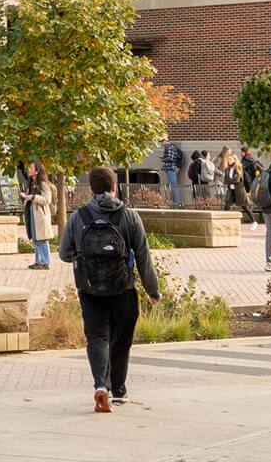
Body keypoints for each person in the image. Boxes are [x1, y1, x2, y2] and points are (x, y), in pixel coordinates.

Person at [59, 166, 161, 413]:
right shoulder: (129, 216)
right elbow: (143, 257)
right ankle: (119, 390)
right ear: (115, 187)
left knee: (97, 337)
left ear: (91, 188)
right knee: (121, 339)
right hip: (123, 287)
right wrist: (152, 290)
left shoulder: (78, 217)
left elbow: (64, 253)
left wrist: (84, 257)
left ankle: (100, 387)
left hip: (89, 287)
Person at [22, 162, 54, 270]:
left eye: (31, 168)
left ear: (37, 171)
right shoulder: (32, 183)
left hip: (40, 214)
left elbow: (47, 200)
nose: (28, 169)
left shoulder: (43, 184)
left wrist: (33, 197)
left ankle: (45, 262)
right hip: (33, 212)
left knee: (42, 239)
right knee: (36, 238)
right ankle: (38, 261)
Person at [240, 148, 264, 228]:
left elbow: (242, 171)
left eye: (241, 152)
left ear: (243, 152)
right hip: (254, 182)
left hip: (248, 183)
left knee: (246, 202)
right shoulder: (253, 159)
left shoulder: (245, 160)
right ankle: (260, 218)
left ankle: (254, 220)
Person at [160, 138, 184, 207]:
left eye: (162, 141)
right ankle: (175, 200)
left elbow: (170, 158)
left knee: (173, 185)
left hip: (171, 168)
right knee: (173, 185)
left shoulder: (168, 147)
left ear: (165, 141)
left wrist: (163, 159)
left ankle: (176, 201)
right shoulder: (172, 147)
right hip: (172, 168)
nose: (161, 143)